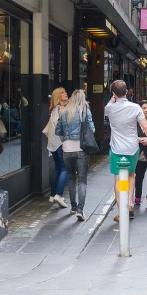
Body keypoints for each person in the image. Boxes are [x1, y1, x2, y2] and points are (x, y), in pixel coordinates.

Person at [105, 80, 147, 222]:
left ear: (113, 93)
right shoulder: (135, 107)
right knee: (131, 175)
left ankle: (121, 210)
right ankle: (130, 204)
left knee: (118, 179)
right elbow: (146, 128)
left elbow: (111, 102)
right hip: (132, 148)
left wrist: (114, 97)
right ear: (127, 92)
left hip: (117, 149)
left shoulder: (109, 108)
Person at [55, 89, 94, 221]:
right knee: (82, 180)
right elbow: (92, 129)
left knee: (71, 179)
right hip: (81, 149)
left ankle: (73, 206)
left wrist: (65, 138)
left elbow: (57, 130)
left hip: (67, 150)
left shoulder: (64, 111)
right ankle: (80, 210)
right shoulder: (84, 110)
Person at [43, 88, 68, 209]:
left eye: (65, 92)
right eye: (62, 92)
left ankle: (53, 194)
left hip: (53, 144)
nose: (66, 93)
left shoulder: (54, 110)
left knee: (58, 168)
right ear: (58, 96)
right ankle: (58, 194)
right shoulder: (60, 109)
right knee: (65, 169)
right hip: (60, 144)